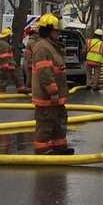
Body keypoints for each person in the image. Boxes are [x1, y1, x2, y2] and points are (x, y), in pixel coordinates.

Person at [30, 13, 73, 155]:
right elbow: (45, 73)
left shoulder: (51, 46)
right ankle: (42, 151)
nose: (58, 33)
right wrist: (53, 92)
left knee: (58, 122)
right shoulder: (42, 48)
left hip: (56, 97)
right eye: (56, 31)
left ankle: (59, 148)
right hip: (47, 97)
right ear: (48, 30)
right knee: (46, 124)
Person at [18, 23, 39, 94]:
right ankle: (28, 92)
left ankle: (28, 91)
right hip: (30, 63)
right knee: (30, 79)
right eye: (37, 34)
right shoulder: (32, 42)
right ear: (34, 34)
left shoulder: (31, 41)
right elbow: (36, 52)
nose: (38, 35)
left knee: (29, 78)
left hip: (29, 63)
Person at [0, 27, 16, 93]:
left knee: (2, 79)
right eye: (9, 36)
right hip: (5, 65)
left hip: (3, 65)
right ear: (6, 36)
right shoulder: (4, 44)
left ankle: (1, 91)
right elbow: (4, 56)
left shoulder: (2, 43)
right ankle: (1, 91)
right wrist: (6, 66)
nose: (10, 37)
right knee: (5, 79)